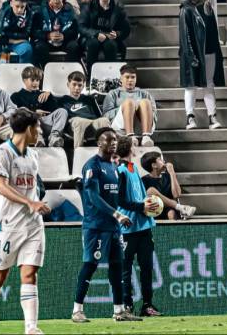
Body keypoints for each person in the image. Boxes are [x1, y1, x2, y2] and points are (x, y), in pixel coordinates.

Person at [0, 109, 48, 335]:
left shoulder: (33, 155)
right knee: (0, 276)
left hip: (33, 224)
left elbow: (33, 185)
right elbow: (1, 187)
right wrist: (30, 202)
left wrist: (35, 203)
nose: (39, 132)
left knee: (29, 274)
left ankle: (31, 327)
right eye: (37, 128)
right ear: (28, 129)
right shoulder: (1, 153)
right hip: (7, 224)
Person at [73, 129, 143, 323]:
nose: (113, 143)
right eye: (109, 140)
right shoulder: (92, 166)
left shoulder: (113, 166)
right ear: (99, 143)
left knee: (117, 266)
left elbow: (116, 197)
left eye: (115, 140)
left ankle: (118, 311)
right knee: (90, 265)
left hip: (113, 226)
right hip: (95, 226)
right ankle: (77, 310)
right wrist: (117, 214)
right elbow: (93, 197)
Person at [115, 134, 163, 318]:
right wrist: (142, 206)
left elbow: (141, 197)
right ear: (130, 149)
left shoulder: (133, 168)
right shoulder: (121, 171)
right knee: (126, 268)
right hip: (128, 227)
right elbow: (119, 200)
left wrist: (148, 206)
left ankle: (147, 305)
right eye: (134, 145)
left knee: (146, 267)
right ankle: (127, 305)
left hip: (143, 226)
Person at [178, 0, 223, 132]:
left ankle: (212, 116)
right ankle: (190, 117)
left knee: (208, 84)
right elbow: (186, 36)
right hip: (193, 54)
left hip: (209, 51)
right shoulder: (187, 9)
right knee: (191, 86)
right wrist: (191, 56)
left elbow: (212, 32)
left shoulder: (208, 7)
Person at [80, 0, 130, 73]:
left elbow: (126, 28)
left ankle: (110, 76)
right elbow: (81, 27)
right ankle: (91, 75)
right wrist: (96, 34)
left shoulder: (118, 7)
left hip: (110, 38)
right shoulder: (89, 6)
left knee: (110, 45)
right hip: (92, 37)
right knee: (93, 44)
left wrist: (117, 34)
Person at [103, 65, 156, 145]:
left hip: (141, 124)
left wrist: (138, 109)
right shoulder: (113, 93)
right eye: (127, 77)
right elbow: (106, 115)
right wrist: (125, 108)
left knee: (145, 102)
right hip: (120, 125)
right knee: (129, 103)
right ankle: (130, 136)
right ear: (121, 78)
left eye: (133, 77)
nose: (130, 80)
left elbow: (154, 112)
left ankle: (146, 137)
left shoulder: (144, 93)